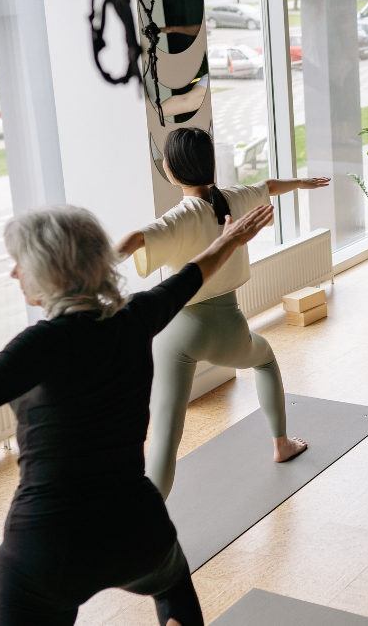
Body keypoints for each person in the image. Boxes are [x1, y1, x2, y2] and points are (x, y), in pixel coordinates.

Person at [0, 203, 274, 624]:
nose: (14, 274)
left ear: (51, 270)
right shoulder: (136, 317)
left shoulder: (40, 345)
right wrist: (229, 239)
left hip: (50, 546)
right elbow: (191, 275)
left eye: (20, 264)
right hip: (138, 531)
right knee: (173, 585)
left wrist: (227, 242)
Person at [114, 127, 328, 499]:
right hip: (229, 326)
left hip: (176, 332)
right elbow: (270, 185)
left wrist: (91, 267)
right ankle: (281, 444)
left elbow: (134, 240)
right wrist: (303, 182)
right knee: (264, 358)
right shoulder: (232, 200)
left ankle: (146, 523)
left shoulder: (180, 215)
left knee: (166, 430)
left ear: (173, 169)